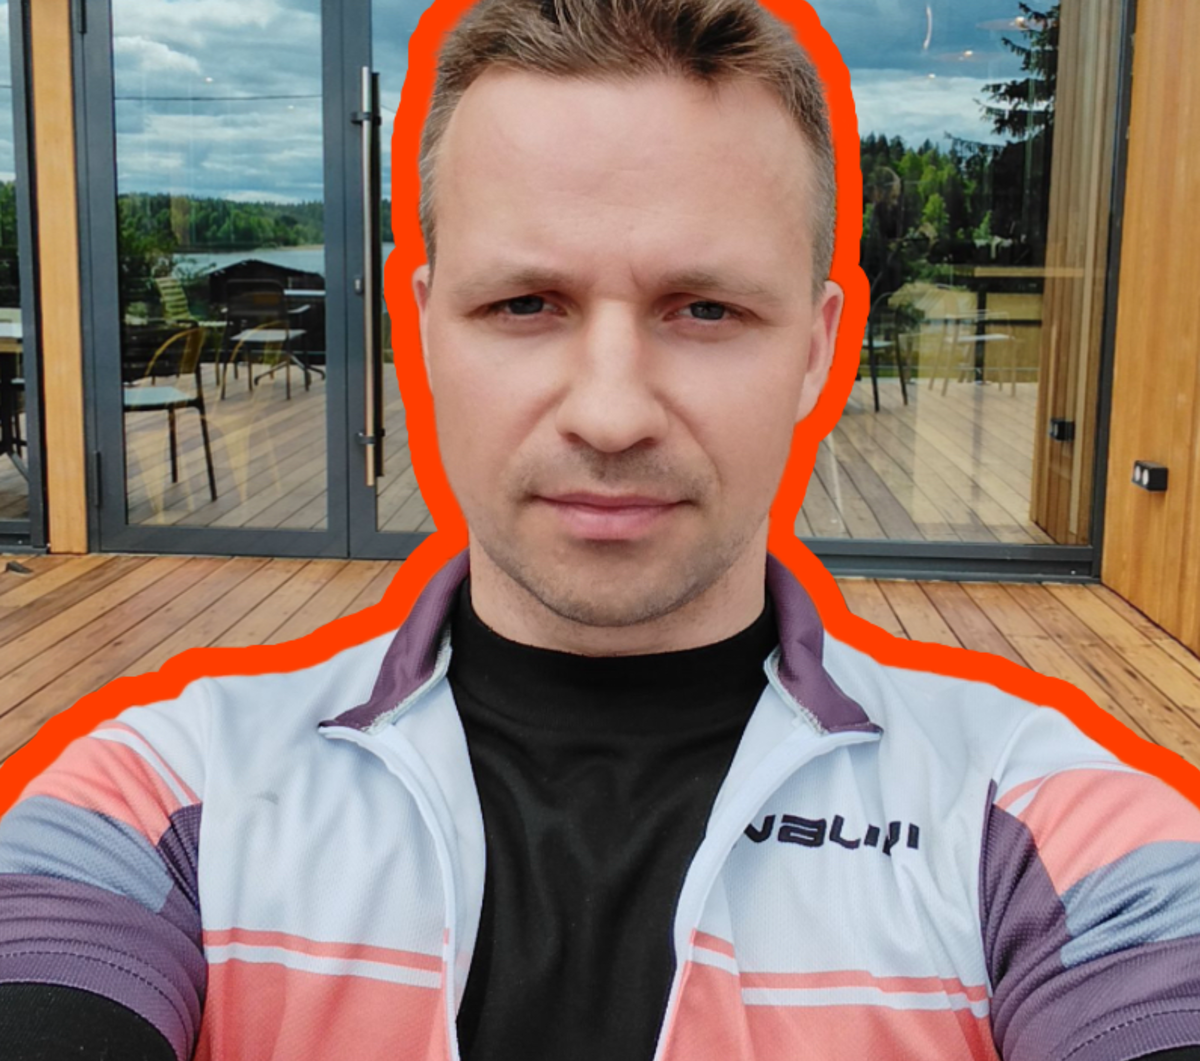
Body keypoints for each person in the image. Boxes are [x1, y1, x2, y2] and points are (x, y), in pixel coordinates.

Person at [2, 0, 1200, 1058]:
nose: (613, 413)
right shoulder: (168, 794)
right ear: (423, 330)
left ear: (817, 348)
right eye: (525, 302)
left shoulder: (1031, 822)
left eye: (706, 308)